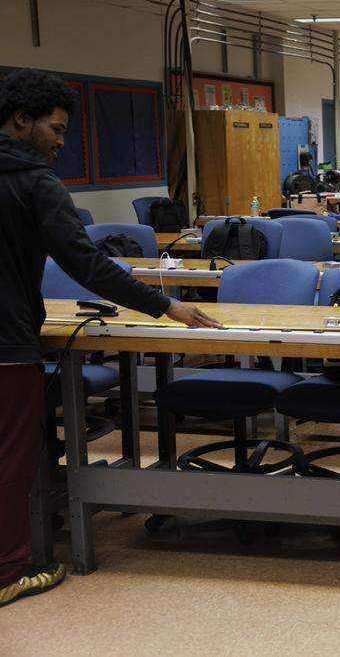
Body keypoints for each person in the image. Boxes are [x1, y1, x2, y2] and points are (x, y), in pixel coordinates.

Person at [0, 69, 221, 608]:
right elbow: (88, 265)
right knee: (9, 458)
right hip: (6, 344)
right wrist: (167, 305)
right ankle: (6, 572)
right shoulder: (35, 182)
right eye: (56, 129)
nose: (61, 142)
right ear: (21, 120)